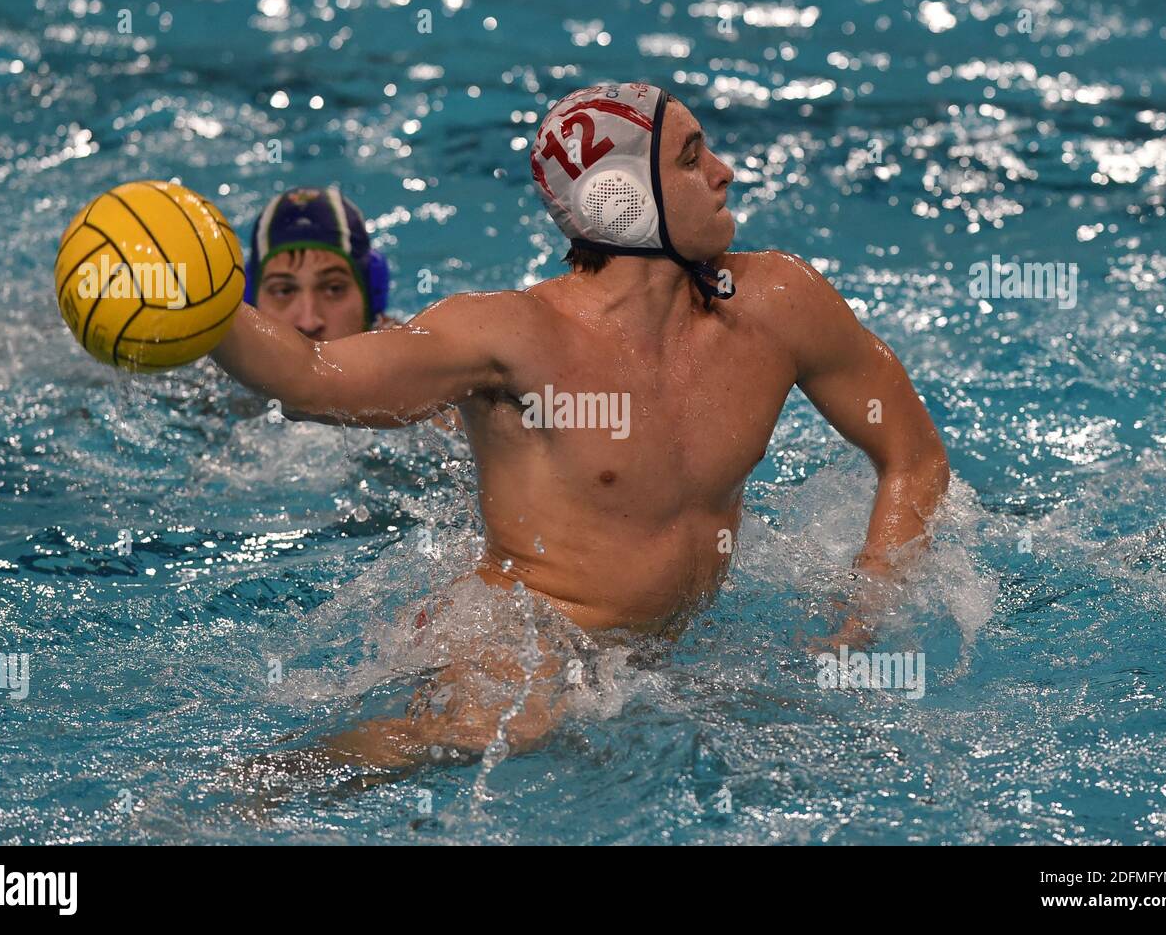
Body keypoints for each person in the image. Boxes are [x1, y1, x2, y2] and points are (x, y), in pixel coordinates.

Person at [213, 83, 950, 777]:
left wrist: (865, 610)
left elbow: (912, 456)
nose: (725, 172)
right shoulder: (512, 337)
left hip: (665, 656)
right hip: (521, 644)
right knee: (485, 731)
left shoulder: (780, 305)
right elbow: (311, 378)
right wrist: (202, 310)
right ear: (621, 198)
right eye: (692, 158)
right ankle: (250, 795)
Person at [243, 186, 394, 340]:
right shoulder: (221, 358)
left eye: (334, 288)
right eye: (284, 291)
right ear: (251, 301)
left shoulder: (412, 358)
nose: (308, 324)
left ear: (371, 297)